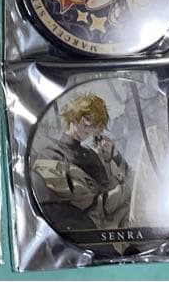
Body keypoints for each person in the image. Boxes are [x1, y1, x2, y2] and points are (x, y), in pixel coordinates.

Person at [33, 92, 132, 233]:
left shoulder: (93, 155)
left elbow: (118, 183)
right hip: (87, 230)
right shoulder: (50, 155)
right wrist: (129, 188)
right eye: (88, 119)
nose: (90, 127)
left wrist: (114, 156)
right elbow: (93, 205)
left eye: (95, 123)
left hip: (117, 221)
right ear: (73, 115)